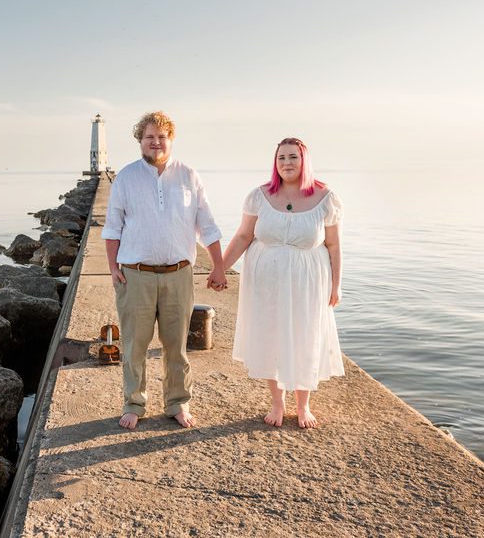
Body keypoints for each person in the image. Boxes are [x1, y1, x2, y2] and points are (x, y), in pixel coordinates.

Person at [103, 111, 227, 429]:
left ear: (170, 139)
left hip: (179, 274)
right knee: (135, 345)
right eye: (149, 137)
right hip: (135, 274)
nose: (156, 142)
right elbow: (112, 227)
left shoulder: (189, 176)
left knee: (177, 346)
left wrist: (219, 266)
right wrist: (112, 268)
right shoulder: (126, 178)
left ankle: (177, 403)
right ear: (140, 140)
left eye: (161, 136)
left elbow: (207, 225)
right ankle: (134, 403)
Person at [222, 137, 344, 428]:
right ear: (275, 163)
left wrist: (336, 285)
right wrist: (220, 269)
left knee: (306, 336)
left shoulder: (326, 198)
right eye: (281, 158)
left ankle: (304, 406)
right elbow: (243, 236)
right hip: (266, 280)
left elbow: (334, 246)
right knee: (270, 335)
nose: (287, 163)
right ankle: (278, 402)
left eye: (293, 157)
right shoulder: (259, 195)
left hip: (309, 281)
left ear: (304, 161)